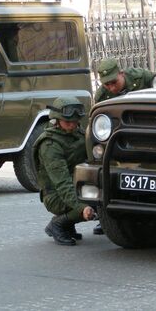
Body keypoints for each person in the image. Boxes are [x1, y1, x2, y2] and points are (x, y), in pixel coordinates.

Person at [92, 58, 156, 234]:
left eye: (114, 82)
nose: (112, 88)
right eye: (107, 85)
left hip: (155, 132)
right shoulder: (102, 96)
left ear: (121, 74)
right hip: (126, 137)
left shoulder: (141, 78)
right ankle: (106, 217)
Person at [34, 97, 95, 246]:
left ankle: (68, 224)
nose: (72, 126)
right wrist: (83, 207)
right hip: (55, 195)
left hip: (73, 186)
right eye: (68, 122)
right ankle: (58, 224)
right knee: (94, 201)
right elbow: (62, 184)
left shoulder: (77, 133)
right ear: (56, 120)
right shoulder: (50, 145)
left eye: (75, 122)